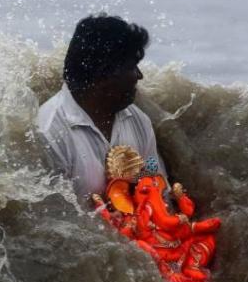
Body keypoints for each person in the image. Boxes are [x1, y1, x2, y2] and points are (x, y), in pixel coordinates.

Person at [36, 13, 168, 203]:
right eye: (132, 67)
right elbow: (53, 224)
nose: (139, 76)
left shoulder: (138, 120)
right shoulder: (49, 133)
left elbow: (157, 184)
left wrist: (141, 185)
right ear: (104, 75)